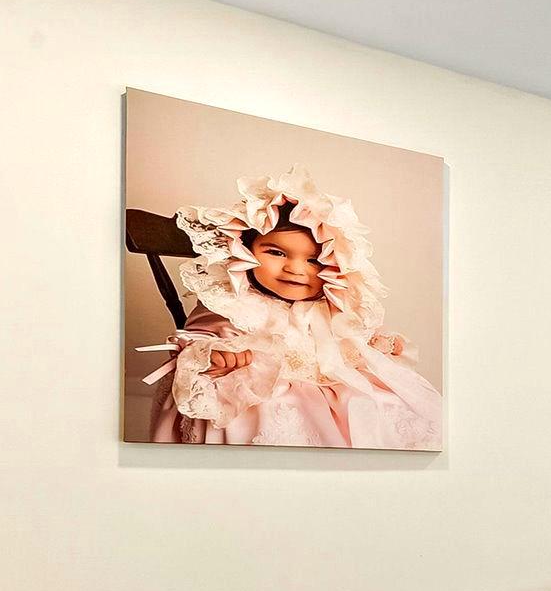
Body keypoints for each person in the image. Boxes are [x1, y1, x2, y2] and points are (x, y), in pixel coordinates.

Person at [142, 167, 442, 449]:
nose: (296, 269)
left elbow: (350, 335)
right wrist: (216, 354)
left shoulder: (329, 304)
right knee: (264, 412)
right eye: (276, 252)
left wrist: (377, 342)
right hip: (267, 388)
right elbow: (199, 335)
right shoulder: (236, 301)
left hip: (332, 385)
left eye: (313, 260)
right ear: (244, 251)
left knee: (382, 402)